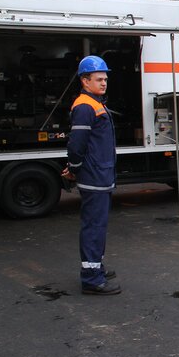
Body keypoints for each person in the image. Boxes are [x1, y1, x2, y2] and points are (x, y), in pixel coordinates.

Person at [61, 55, 121, 295]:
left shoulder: (94, 103)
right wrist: (74, 168)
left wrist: (76, 167)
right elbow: (76, 144)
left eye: (105, 79)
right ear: (85, 81)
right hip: (94, 176)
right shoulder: (85, 106)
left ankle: (96, 268)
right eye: (98, 79)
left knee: (98, 226)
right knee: (94, 227)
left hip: (100, 175)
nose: (104, 83)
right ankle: (91, 279)